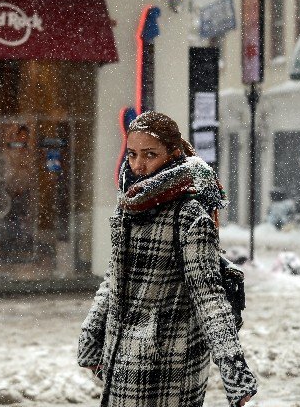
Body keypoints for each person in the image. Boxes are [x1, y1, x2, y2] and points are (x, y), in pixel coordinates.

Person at [77, 111, 257, 407]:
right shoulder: (130, 207)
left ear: (173, 154)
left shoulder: (188, 215)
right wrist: (92, 335)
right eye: (133, 154)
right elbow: (113, 279)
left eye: (150, 154)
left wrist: (234, 371)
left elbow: (208, 296)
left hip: (171, 361)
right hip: (121, 356)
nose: (138, 165)